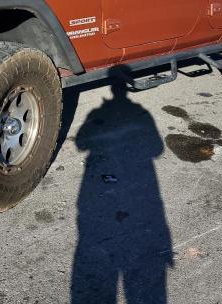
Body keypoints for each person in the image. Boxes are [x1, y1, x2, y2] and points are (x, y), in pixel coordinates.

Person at [71, 70, 173, 303]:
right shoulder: (141, 113)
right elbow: (157, 149)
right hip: (138, 184)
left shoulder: (97, 112)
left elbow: (80, 143)